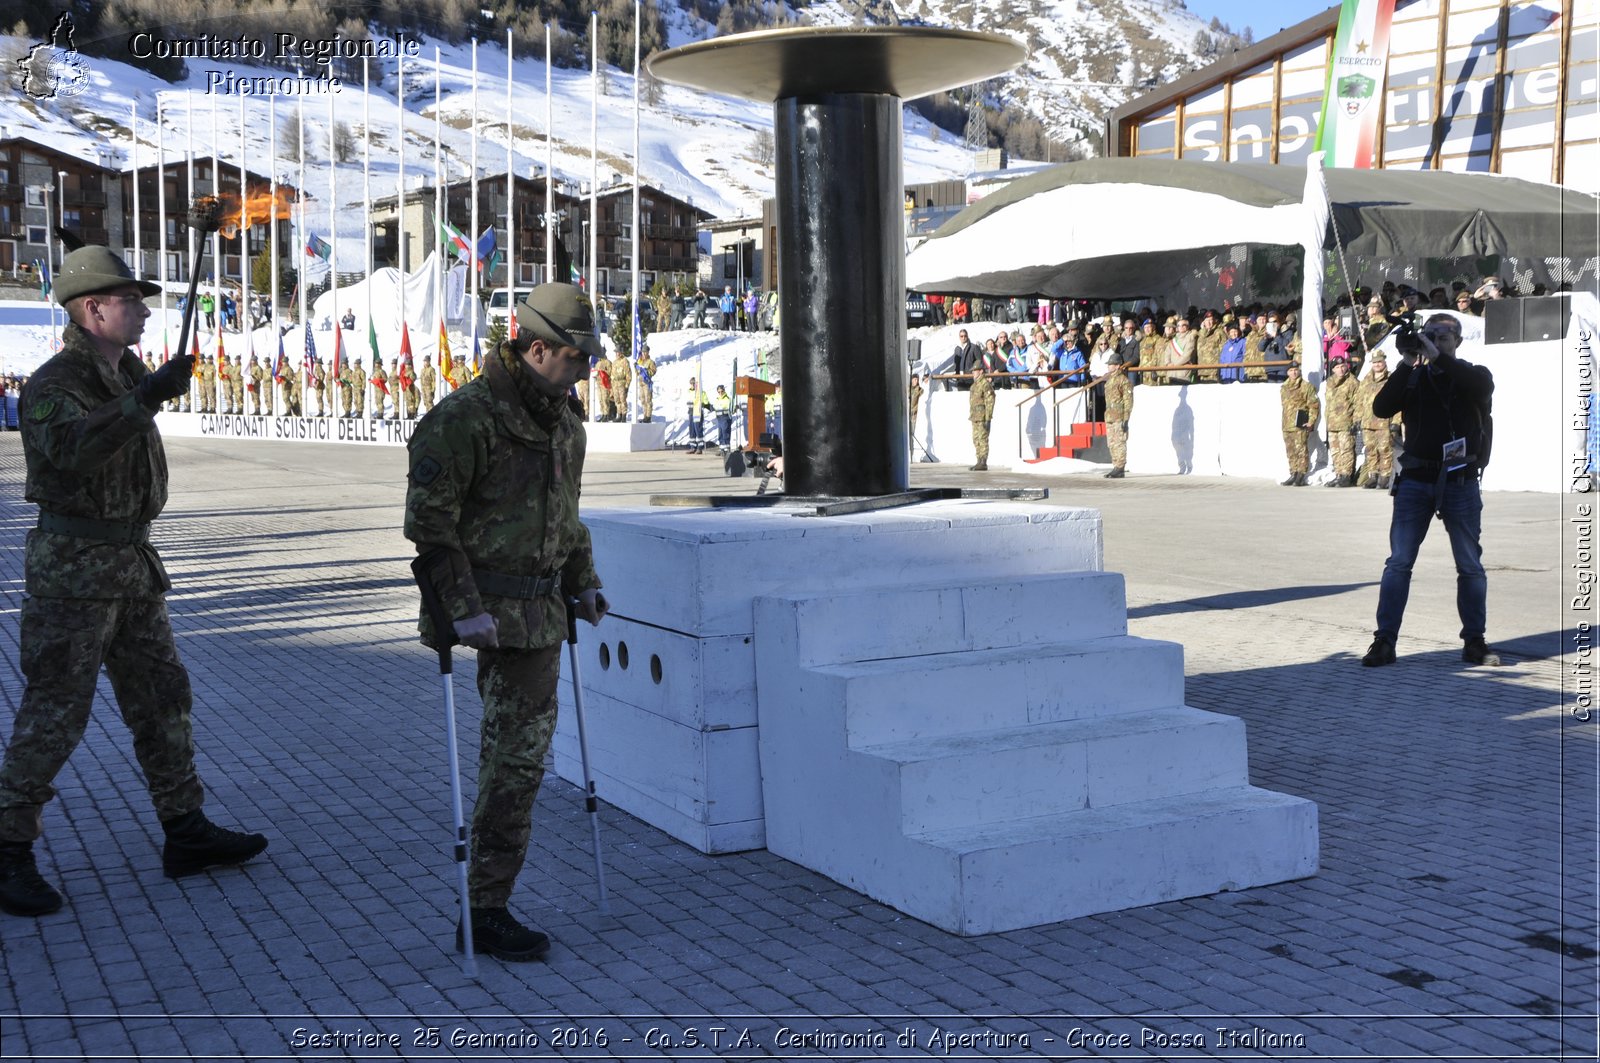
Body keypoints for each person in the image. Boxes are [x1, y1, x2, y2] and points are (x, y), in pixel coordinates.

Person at [0, 246, 267, 917]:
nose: (146, 311)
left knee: (162, 696)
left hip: (132, 567)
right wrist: (146, 397)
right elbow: (73, 450)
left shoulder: (126, 372)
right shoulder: (55, 383)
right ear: (93, 308)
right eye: (131, 299)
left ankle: (185, 829)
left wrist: (145, 390)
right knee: (57, 710)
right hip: (75, 574)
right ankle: (6, 846)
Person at [405, 282, 609, 962]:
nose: (588, 368)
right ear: (538, 347)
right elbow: (429, 526)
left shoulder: (565, 423)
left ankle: (487, 902)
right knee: (515, 760)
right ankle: (484, 909)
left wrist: (584, 583)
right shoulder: (465, 419)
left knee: (517, 759)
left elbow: (567, 517)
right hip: (486, 613)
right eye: (579, 356)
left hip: (542, 614)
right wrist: (463, 609)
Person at [1362, 314, 1498, 667]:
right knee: (1398, 563)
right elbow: (1381, 408)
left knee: (1470, 566)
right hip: (1416, 481)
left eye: (1444, 336)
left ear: (1458, 341)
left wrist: (1438, 358)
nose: (1437, 341)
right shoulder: (1414, 377)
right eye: (1430, 336)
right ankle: (1384, 641)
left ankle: (1475, 642)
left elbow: (1481, 390)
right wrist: (1408, 363)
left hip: (1460, 482)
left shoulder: (1474, 374)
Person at [1356, 352, 1399, 488]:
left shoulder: (1391, 379)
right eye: (1374, 362)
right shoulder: (1366, 380)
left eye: (1379, 362)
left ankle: (1385, 477)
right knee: (1370, 450)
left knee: (1384, 449)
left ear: (1384, 363)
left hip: (1384, 422)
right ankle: (1373, 475)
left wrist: (1396, 421)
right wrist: (1357, 418)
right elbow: (1359, 401)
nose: (1377, 365)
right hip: (1368, 422)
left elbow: (1398, 402)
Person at [1279, 362, 1319, 486]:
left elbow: (1313, 406)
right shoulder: (1284, 387)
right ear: (1287, 372)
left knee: (1301, 449)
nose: (1294, 372)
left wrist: (1311, 421)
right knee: (1290, 451)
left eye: (1296, 370)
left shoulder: (1306, 386)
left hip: (1300, 423)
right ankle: (1293, 472)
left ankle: (1301, 474)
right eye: (1291, 370)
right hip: (1287, 424)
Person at [1323, 356, 1360, 486]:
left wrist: (1356, 421)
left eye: (1343, 366)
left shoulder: (1352, 381)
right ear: (1333, 369)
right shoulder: (1330, 382)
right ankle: (1339, 474)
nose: (1341, 369)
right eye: (1337, 367)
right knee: (1335, 450)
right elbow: (1328, 403)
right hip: (1332, 423)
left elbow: (1358, 403)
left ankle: (1346, 475)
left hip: (1346, 422)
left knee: (1346, 449)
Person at [1102, 351, 1133, 479]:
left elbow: (1128, 400)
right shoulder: (1109, 380)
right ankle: (1115, 465)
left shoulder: (1123, 380)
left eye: (1111, 364)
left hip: (1119, 415)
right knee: (1112, 442)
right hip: (1109, 415)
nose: (1109, 366)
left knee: (1119, 442)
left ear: (1117, 365)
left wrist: (1126, 417)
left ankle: (1120, 467)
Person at [968, 361, 995, 472]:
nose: (973, 373)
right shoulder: (974, 385)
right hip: (975, 416)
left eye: (975, 370)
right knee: (976, 439)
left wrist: (988, 418)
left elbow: (990, 401)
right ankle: (979, 460)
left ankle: (983, 462)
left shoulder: (985, 384)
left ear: (981, 371)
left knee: (982, 439)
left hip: (983, 416)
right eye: (973, 371)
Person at [685, 376, 708, 454]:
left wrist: (702, 403)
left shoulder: (701, 392)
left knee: (698, 429)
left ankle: (700, 447)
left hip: (698, 412)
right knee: (692, 430)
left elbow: (706, 402)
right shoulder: (689, 391)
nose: (692, 385)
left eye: (693, 383)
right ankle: (692, 447)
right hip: (691, 412)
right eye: (691, 383)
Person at [635, 345, 656, 422]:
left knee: (648, 400)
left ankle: (648, 416)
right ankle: (645, 416)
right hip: (641, 384)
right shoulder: (640, 361)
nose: (644, 354)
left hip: (647, 383)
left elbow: (653, 371)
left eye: (645, 352)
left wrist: (646, 371)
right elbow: (637, 373)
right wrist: (636, 368)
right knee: (643, 400)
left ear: (648, 352)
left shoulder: (650, 362)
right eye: (643, 352)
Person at [711, 383, 732, 451]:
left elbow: (727, 406)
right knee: (720, 433)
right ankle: (722, 447)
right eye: (719, 392)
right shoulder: (717, 399)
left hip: (725, 417)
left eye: (721, 391)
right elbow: (715, 407)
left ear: (724, 391)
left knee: (725, 431)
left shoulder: (727, 398)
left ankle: (726, 446)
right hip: (719, 418)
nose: (720, 393)